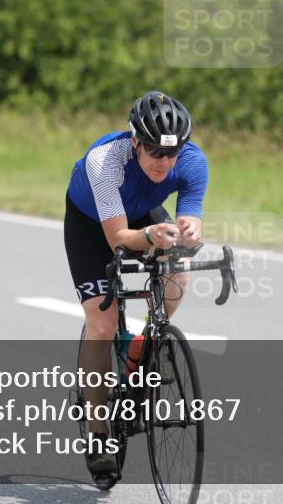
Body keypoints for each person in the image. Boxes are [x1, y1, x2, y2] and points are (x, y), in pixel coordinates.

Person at [63, 90, 208, 480]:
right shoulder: (105, 162)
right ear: (135, 144)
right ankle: (98, 435)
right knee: (103, 321)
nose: (165, 163)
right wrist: (150, 237)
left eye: (172, 153)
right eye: (155, 154)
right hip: (94, 226)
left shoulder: (193, 163)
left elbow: (189, 218)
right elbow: (119, 240)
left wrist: (189, 229)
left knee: (179, 267)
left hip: (142, 216)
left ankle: (145, 343)